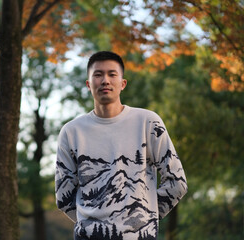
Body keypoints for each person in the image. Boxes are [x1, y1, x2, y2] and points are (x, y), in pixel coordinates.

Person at [55, 51, 187, 240]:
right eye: (98, 75)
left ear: (123, 83)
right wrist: (92, 228)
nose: (105, 80)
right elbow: (64, 197)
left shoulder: (148, 122)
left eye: (112, 74)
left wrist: (145, 219)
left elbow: (177, 183)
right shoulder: (71, 131)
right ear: (88, 84)